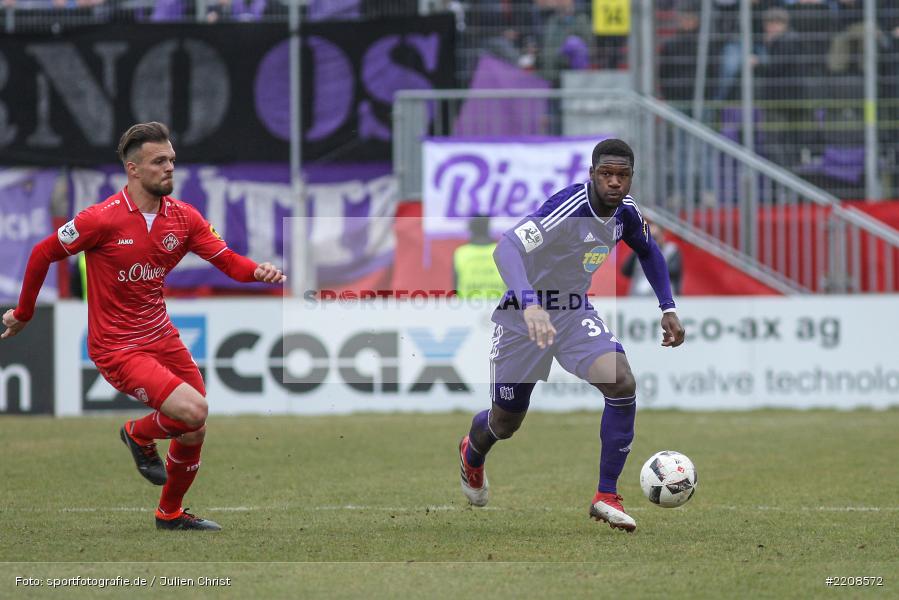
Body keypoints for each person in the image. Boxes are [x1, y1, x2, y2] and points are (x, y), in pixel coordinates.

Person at [1, 122, 286, 531]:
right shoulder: (100, 219)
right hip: (117, 347)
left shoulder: (183, 219)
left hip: (161, 335)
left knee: (194, 427)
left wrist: (257, 270)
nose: (170, 167)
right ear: (133, 170)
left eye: (171, 159)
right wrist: (25, 312)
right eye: (159, 161)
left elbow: (228, 261)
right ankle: (137, 433)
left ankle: (169, 514)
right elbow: (42, 252)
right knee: (194, 410)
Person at [457, 139, 685, 532]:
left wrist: (667, 306)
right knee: (505, 422)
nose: (614, 182)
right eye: (606, 174)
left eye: (622, 175)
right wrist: (529, 305)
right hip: (521, 318)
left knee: (621, 381)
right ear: (592, 174)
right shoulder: (567, 208)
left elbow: (648, 251)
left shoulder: (626, 214)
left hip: (573, 311)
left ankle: (606, 495)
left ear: (631, 178)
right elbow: (506, 249)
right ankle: (472, 453)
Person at [453, 215, 506, 300]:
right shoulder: (502, 251)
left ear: (471, 230)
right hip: (499, 306)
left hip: (466, 307)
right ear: (488, 229)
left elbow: (454, 287)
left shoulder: (461, 252)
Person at [622, 222, 683, 296]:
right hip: (639, 299)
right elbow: (625, 271)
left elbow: (673, 271)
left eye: (654, 237)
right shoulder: (640, 251)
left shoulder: (672, 250)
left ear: (663, 236)